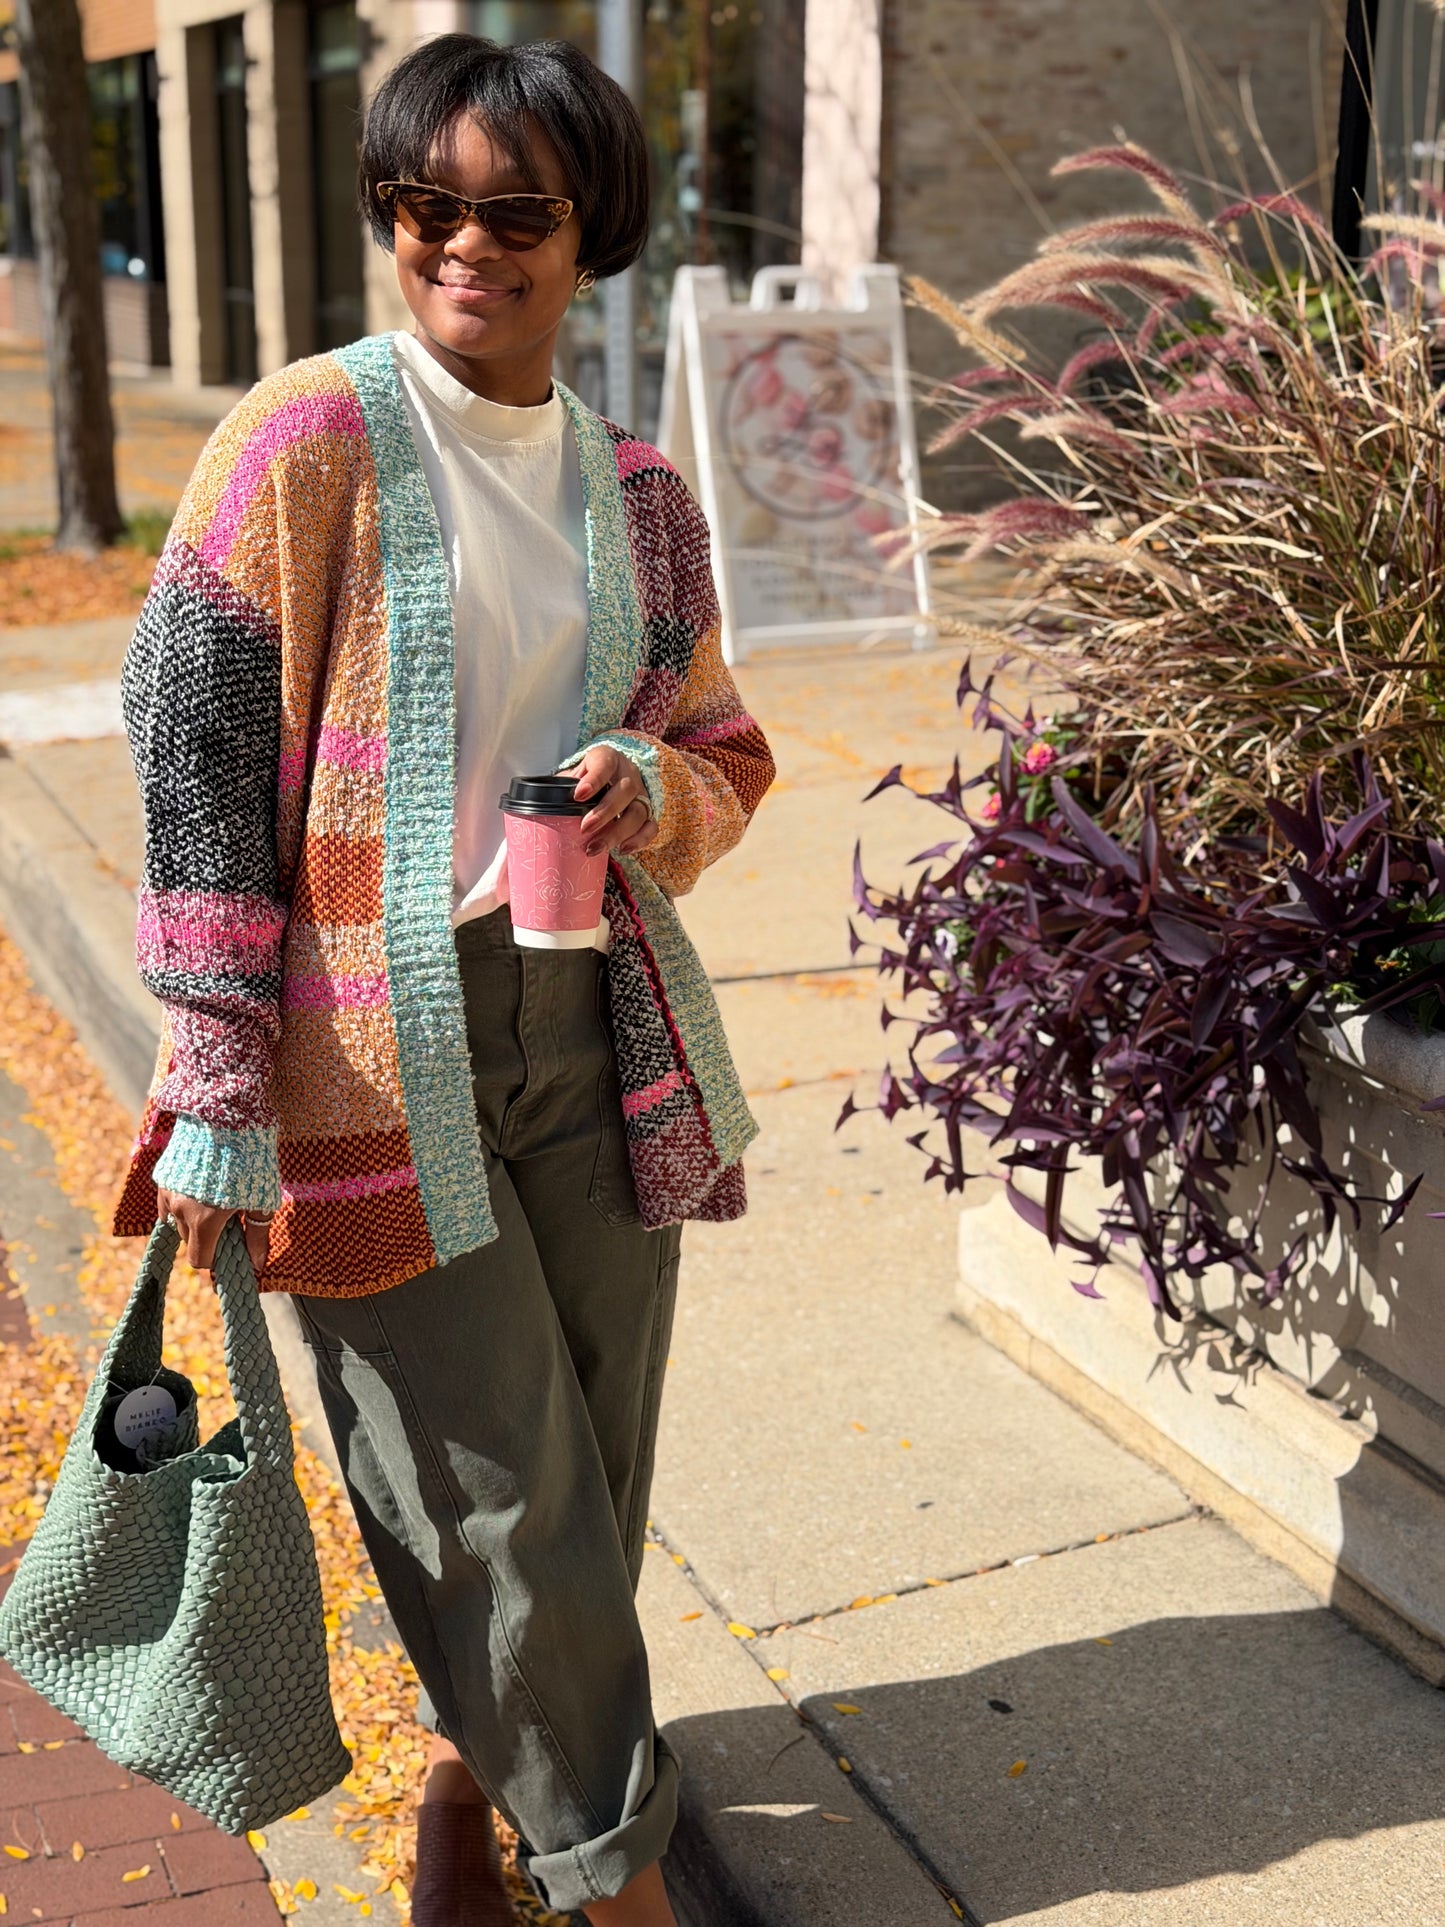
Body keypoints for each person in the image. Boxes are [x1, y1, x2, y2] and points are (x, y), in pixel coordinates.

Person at [112, 33, 773, 1927]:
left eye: (512, 213)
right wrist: (218, 1069)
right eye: (422, 206)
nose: (457, 246)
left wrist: (649, 785)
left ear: (592, 238)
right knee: (495, 1496)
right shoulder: (304, 437)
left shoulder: (637, 489)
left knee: (592, 1471)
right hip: (360, 1052)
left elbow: (720, 744)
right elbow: (196, 734)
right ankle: (609, 1888)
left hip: (590, 1023)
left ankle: (464, 1789)